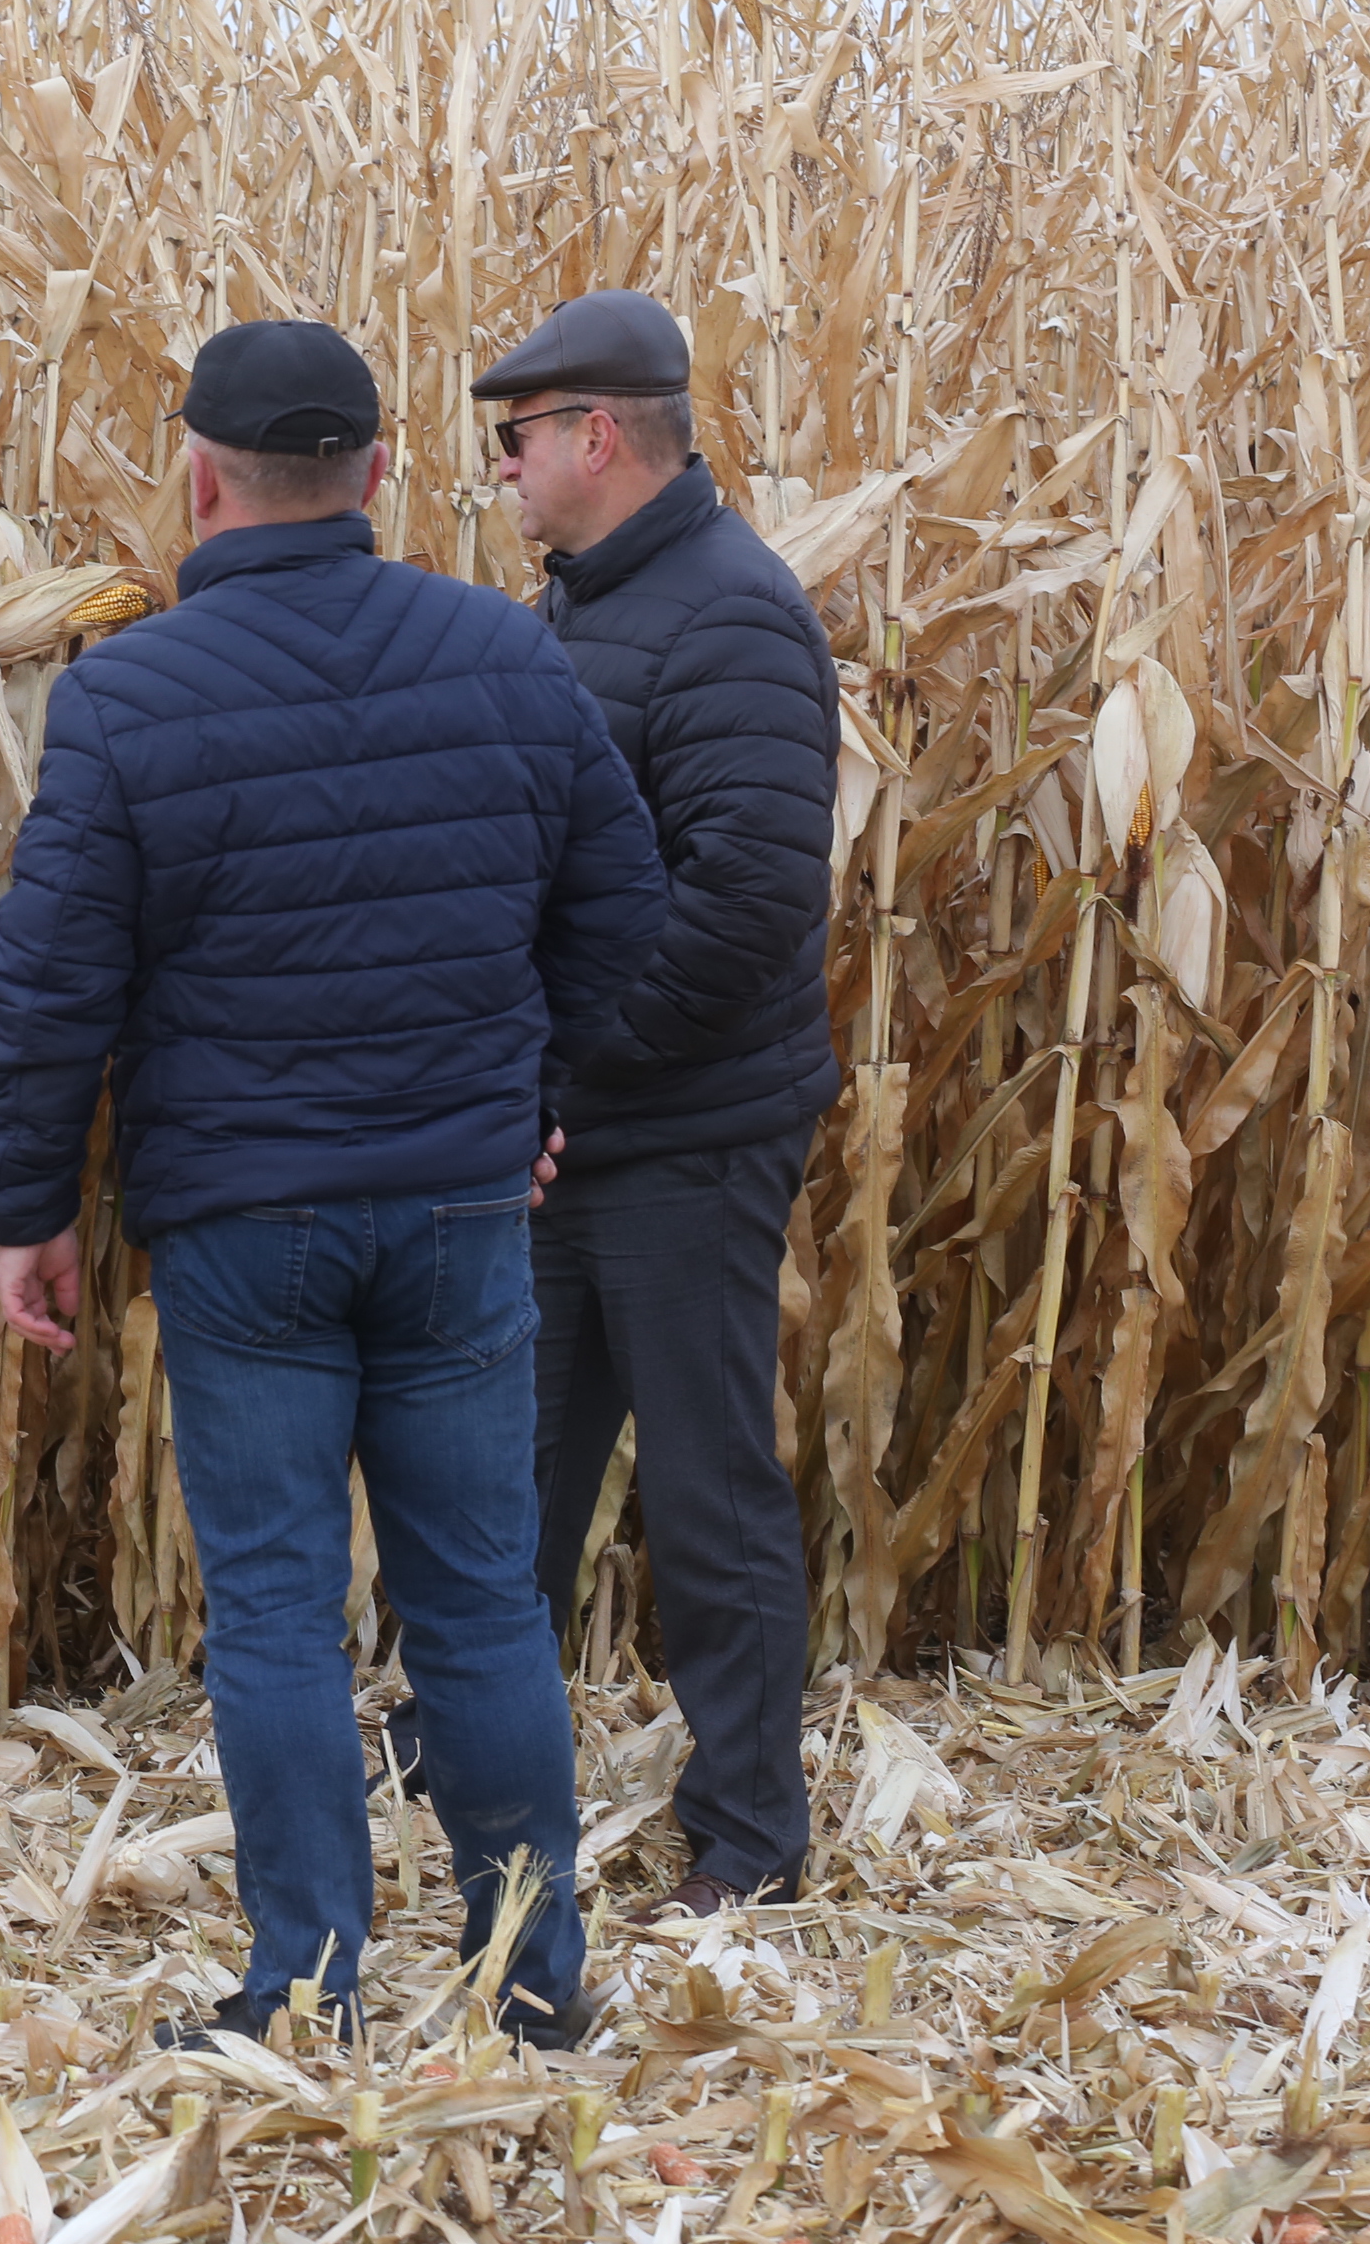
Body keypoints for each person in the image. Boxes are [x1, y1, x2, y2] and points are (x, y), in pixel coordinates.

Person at [0, 319, 665, 2049]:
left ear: (199, 482)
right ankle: (533, 1979)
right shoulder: (507, 656)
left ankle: (303, 1995)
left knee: (277, 1610)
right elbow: (625, 915)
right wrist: (526, 1093)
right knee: (482, 1602)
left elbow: (52, 988)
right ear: (378, 474)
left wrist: (25, 1210)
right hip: (456, 1209)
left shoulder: (126, 698)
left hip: (245, 1223)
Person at [470, 287, 842, 1918]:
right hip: (580, 1128)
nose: (504, 468)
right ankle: (475, 1760)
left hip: (684, 1134)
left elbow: (744, 905)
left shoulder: (729, 618)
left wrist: (567, 1070)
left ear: (598, 437)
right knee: (515, 1472)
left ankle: (749, 1833)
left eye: (518, 440)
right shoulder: (586, 605)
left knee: (705, 1489)